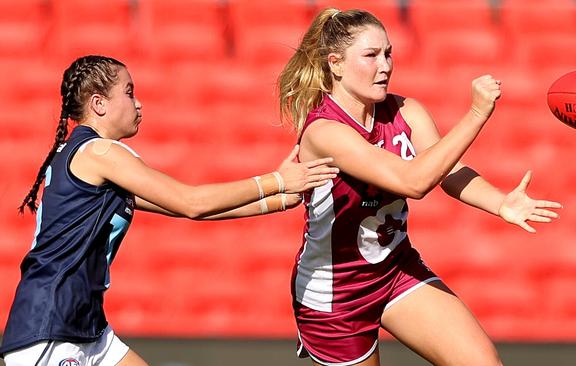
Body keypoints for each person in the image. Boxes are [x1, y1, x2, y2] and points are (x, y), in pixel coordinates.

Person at [0, 55, 338, 366]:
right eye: (129, 92)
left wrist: (281, 198)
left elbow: (191, 209)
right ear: (99, 104)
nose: (138, 102)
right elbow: (191, 202)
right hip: (50, 327)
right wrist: (278, 180)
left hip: (85, 325)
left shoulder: (87, 156)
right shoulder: (100, 153)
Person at [277, 8, 562, 366]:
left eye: (388, 53)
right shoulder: (325, 133)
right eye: (371, 56)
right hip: (336, 296)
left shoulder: (405, 110)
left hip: (395, 269)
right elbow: (413, 181)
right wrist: (475, 115)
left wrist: (501, 202)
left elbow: (446, 170)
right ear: (335, 64)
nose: (385, 65)